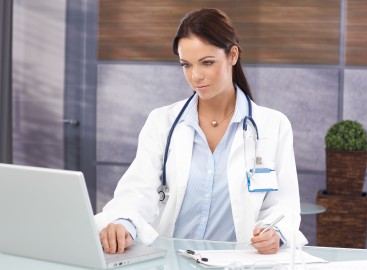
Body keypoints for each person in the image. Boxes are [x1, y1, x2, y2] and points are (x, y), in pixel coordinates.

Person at [95, 8, 307, 255]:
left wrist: (276, 233)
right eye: (186, 65)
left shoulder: (273, 126)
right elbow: (138, 190)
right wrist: (123, 221)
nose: (196, 76)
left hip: (236, 262)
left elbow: (283, 205)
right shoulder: (162, 122)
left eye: (207, 62)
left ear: (233, 55)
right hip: (171, 261)